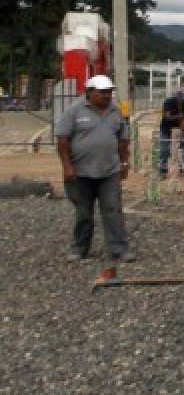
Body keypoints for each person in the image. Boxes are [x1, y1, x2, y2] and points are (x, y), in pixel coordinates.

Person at [54, 75, 133, 262]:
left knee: (113, 210)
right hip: (80, 173)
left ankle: (119, 248)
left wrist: (124, 163)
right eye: (103, 92)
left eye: (109, 92)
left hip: (109, 172)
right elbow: (62, 141)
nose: (107, 96)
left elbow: (123, 140)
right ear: (89, 92)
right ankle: (79, 248)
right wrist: (67, 167)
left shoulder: (116, 112)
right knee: (84, 213)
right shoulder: (74, 111)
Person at [159, 88, 184, 176]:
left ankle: (183, 168)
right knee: (164, 149)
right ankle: (162, 169)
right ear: (179, 96)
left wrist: (181, 132)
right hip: (166, 128)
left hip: (179, 128)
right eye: (183, 99)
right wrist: (178, 116)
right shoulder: (169, 102)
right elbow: (167, 116)